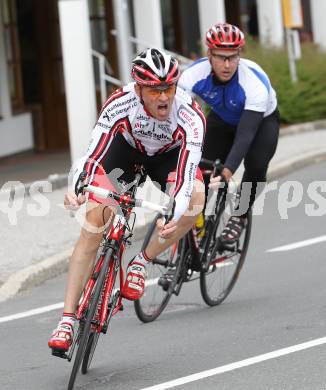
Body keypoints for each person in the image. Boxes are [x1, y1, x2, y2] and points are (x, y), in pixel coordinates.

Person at [48, 48, 206, 352]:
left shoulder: (189, 116)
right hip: (125, 152)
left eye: (168, 88)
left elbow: (186, 177)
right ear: (138, 88)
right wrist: (80, 187)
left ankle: (140, 262)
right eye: (154, 89)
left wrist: (175, 214)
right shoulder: (121, 102)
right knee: (94, 220)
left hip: (168, 158)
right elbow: (94, 154)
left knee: (197, 198)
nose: (164, 97)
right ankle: (67, 320)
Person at [179, 22, 280, 248]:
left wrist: (227, 171)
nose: (227, 65)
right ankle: (197, 224)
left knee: (255, 163)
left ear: (239, 55)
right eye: (220, 57)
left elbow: (245, 135)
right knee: (201, 169)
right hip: (223, 118)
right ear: (209, 55)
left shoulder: (253, 83)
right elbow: (180, 121)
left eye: (232, 57)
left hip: (260, 122)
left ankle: (240, 216)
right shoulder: (193, 75)